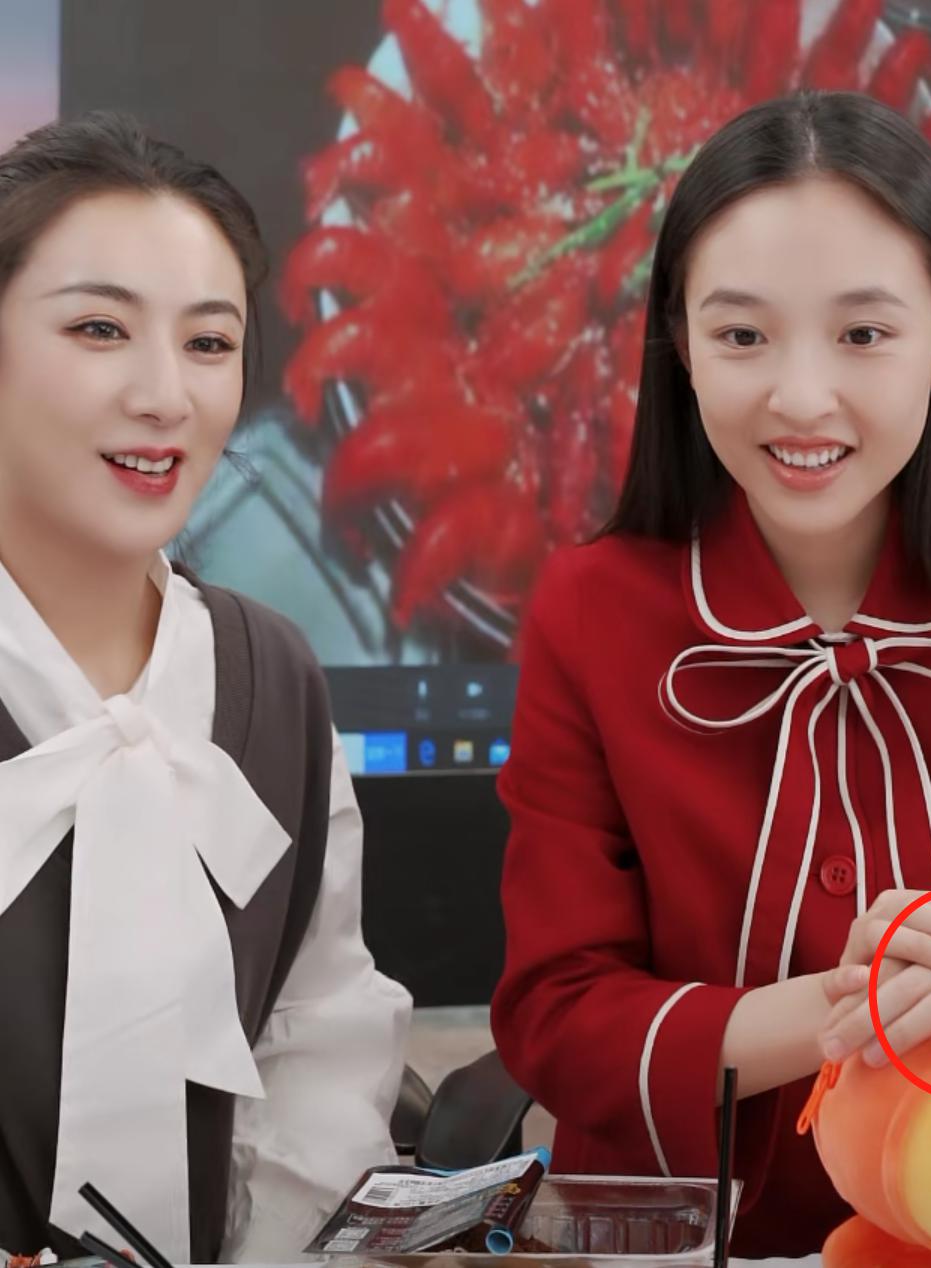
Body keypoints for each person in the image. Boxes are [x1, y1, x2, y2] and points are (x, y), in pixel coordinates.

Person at [491, 91, 931, 1259]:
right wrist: (842, 1008)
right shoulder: (589, 610)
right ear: (681, 341)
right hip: (672, 1240)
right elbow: (556, 1012)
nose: (801, 397)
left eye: (863, 334)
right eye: (743, 336)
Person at [0, 112, 411, 1263]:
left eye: (210, 342)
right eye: (98, 328)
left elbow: (318, 1038)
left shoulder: (270, 675)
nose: (164, 395)